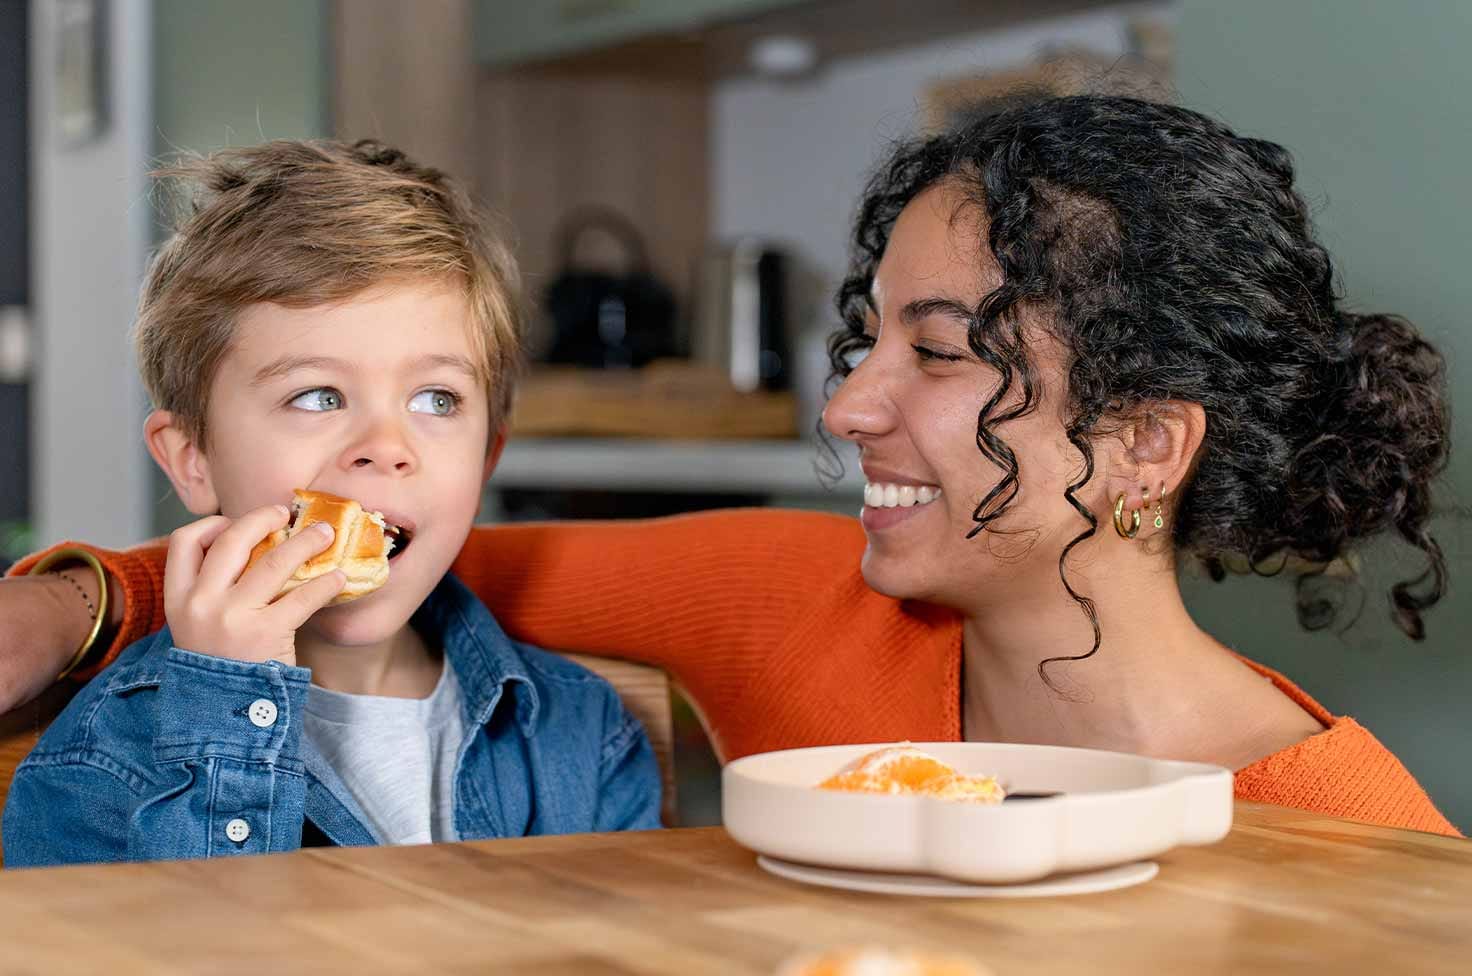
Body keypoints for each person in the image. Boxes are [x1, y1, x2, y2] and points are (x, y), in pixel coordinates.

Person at [4, 97, 1457, 837]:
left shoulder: (1345, 827)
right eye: (865, 335)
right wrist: (71, 603)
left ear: (1143, 445)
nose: (848, 403)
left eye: (940, 353)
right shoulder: (784, 595)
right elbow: (374, 550)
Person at [1, 140, 661, 868]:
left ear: (486, 458)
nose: (386, 444)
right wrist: (230, 707)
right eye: (318, 396)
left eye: (436, 399)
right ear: (193, 459)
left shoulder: (582, 729)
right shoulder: (102, 760)